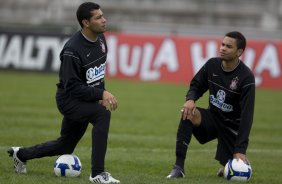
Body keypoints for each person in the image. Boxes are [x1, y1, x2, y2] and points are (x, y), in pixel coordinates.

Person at [7, 2, 120, 183]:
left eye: (103, 15)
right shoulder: (72, 50)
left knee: (65, 145)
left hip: (84, 99)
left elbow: (98, 73)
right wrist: (101, 95)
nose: (104, 20)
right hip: (69, 100)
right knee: (102, 114)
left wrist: (100, 92)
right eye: (98, 17)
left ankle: (21, 154)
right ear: (86, 23)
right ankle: (98, 174)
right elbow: (72, 86)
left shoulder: (100, 40)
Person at [167, 31, 255, 179]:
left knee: (237, 169)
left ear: (239, 52)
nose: (223, 48)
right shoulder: (212, 64)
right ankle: (178, 168)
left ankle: (228, 166)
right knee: (187, 112)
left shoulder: (246, 77)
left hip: (231, 127)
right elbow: (197, 85)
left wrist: (240, 149)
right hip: (213, 118)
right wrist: (190, 99)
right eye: (222, 44)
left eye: (228, 46)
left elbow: (247, 116)